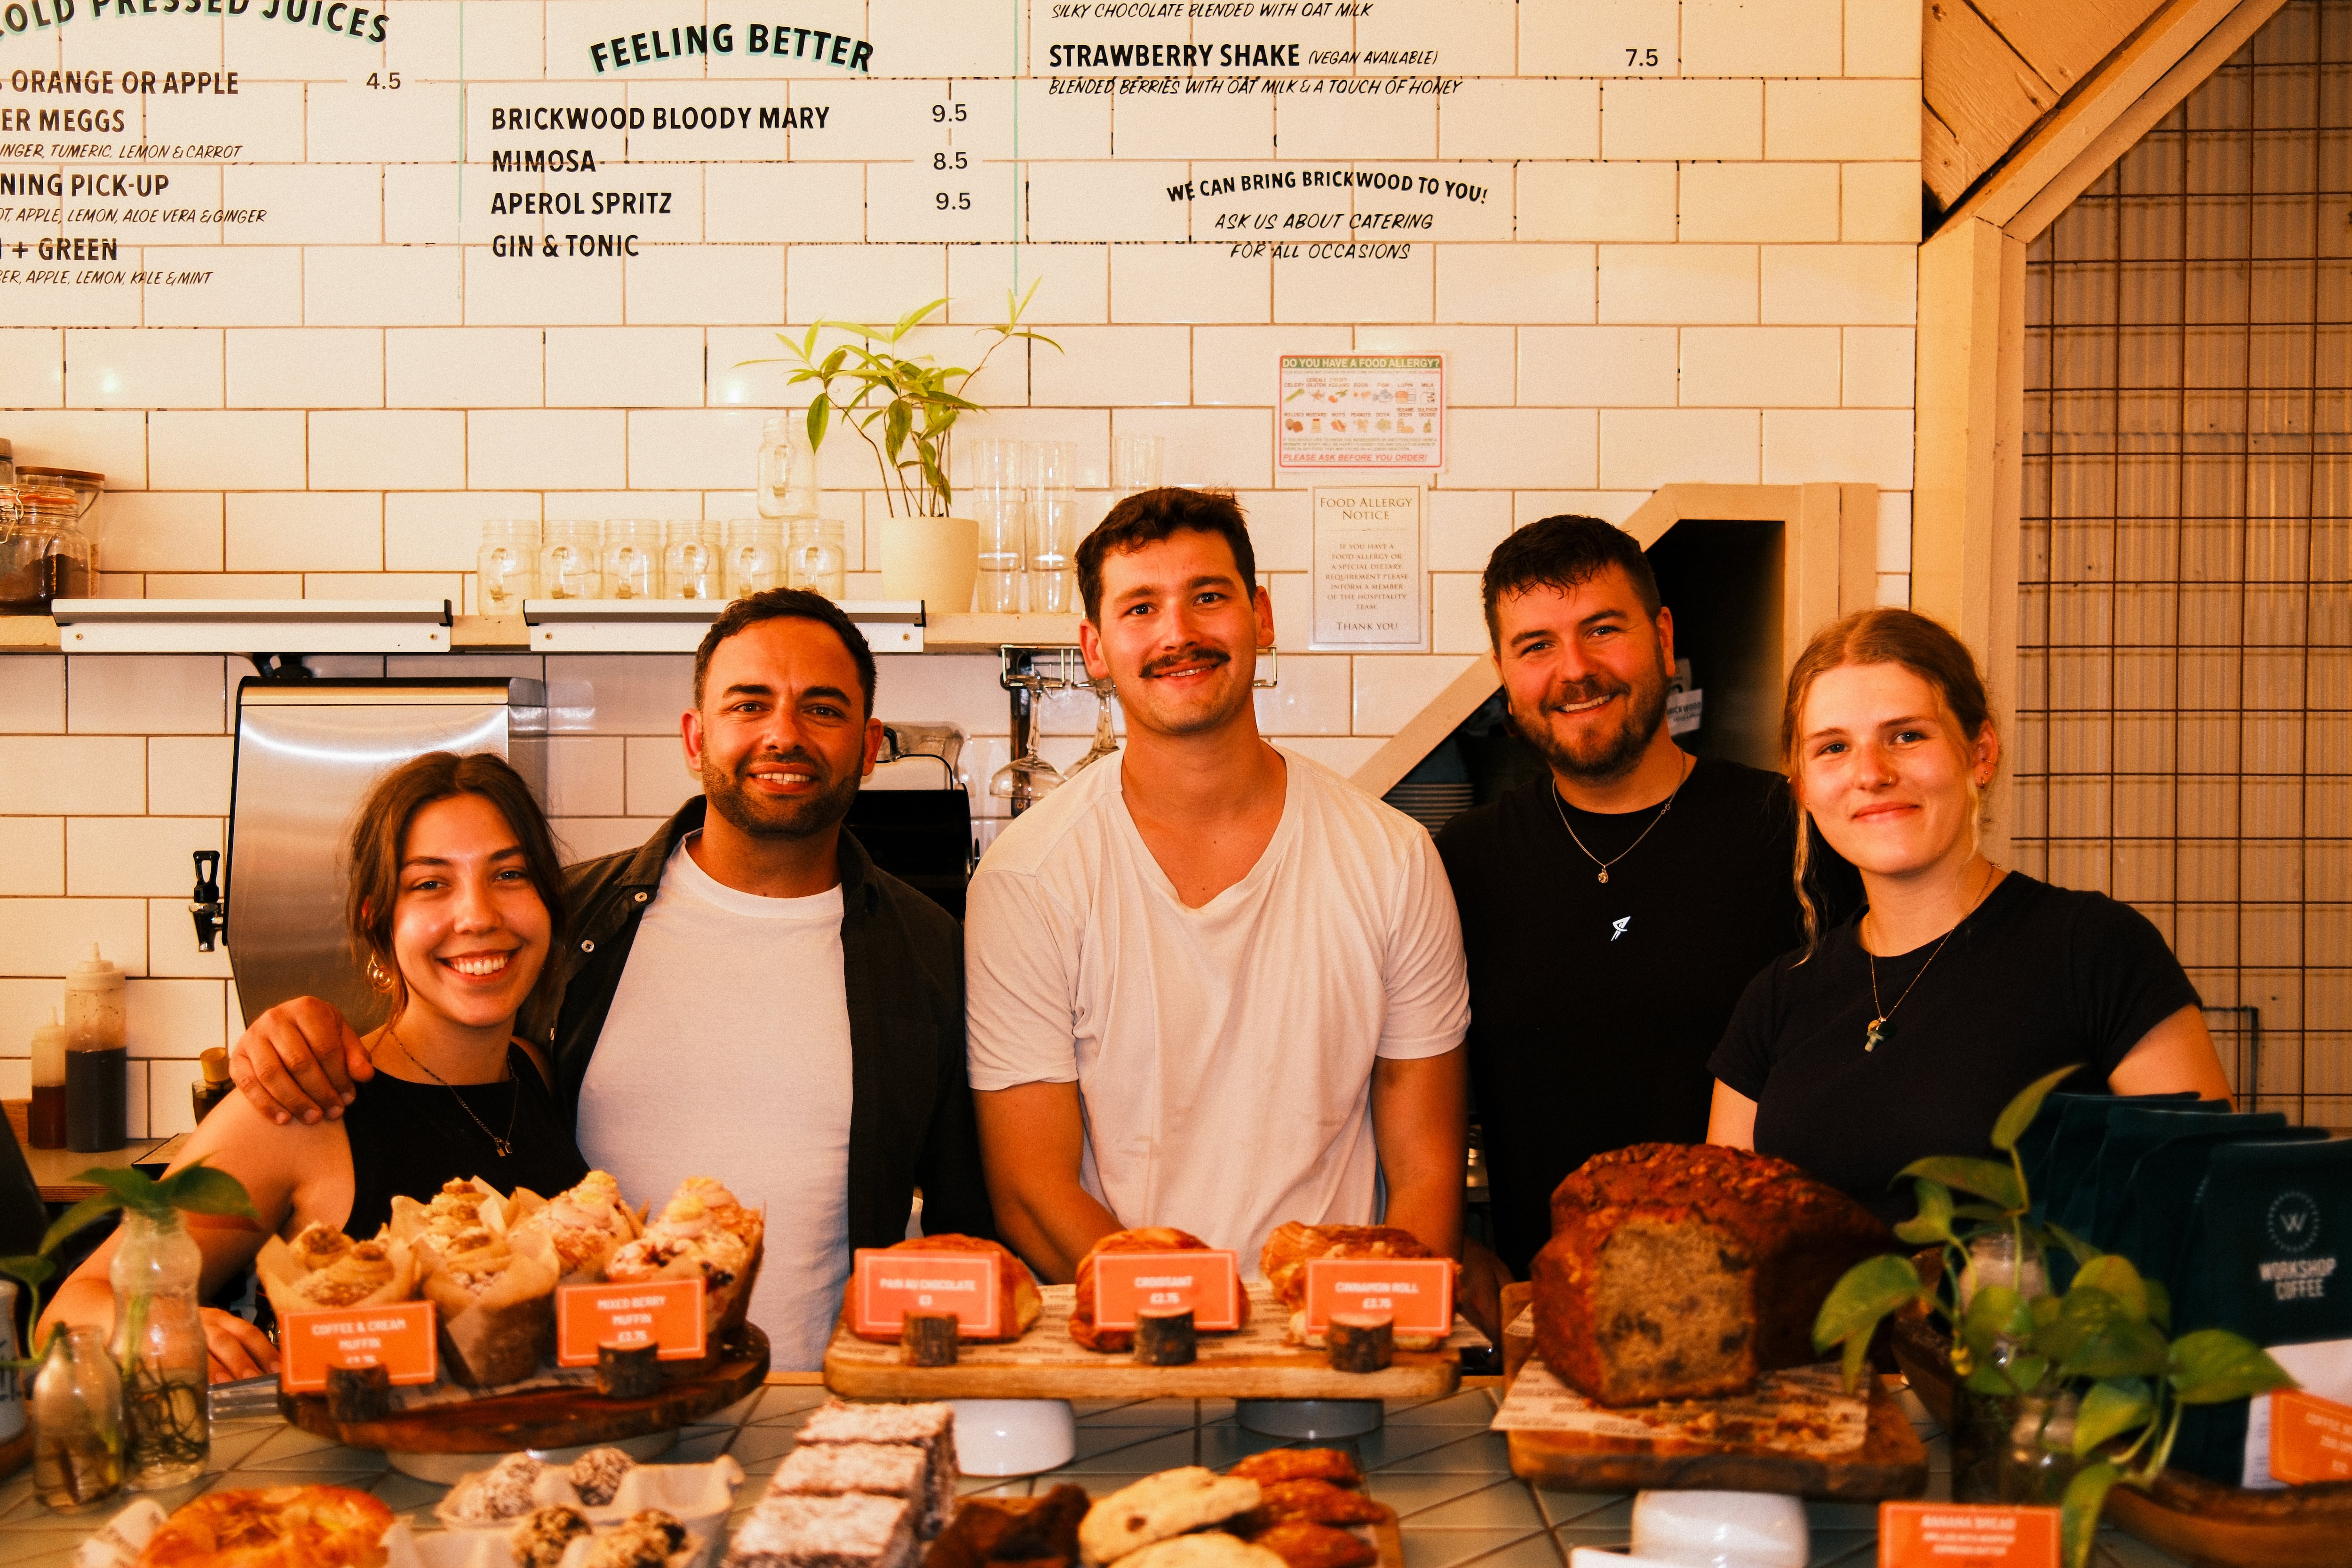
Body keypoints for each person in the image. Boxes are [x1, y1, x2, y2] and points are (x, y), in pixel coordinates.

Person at [224, 589, 993, 1368]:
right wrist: (305, 1026)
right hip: (592, 1412)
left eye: (821, 709)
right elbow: (439, 1030)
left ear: (869, 747)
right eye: (749, 704)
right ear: (696, 738)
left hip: (820, 1407)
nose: (782, 735)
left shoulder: (929, 948)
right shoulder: (574, 919)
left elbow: (969, 1222)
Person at [965, 488, 1478, 1318]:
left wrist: (1369, 1330)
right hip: (1122, 1366)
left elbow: (1425, 1170)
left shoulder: (1392, 859)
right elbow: (1033, 1189)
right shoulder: (1028, 879)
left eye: (1209, 596)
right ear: (1095, 648)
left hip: (1335, 1355)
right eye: (1141, 607)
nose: (1179, 634)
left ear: (1260, 617)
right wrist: (1192, 1318)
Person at [45, 750, 588, 1380]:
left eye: (511, 874)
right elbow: (73, 1306)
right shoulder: (302, 1107)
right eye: (430, 883)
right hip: (363, 1475)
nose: (479, 916)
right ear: (377, 920)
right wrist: (166, 1332)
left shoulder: (531, 1072)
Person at [1706, 606, 2233, 1222]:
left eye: (1906, 734)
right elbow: (1728, 1238)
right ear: (1802, 787)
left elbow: (2206, 1207)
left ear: (1980, 752)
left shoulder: (2096, 952)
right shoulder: (1777, 999)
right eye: (1833, 747)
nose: (1871, 773)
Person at [1435, 516, 1850, 1282]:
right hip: (1559, 1314)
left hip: (1765, 1306)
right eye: (1536, 646)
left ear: (1663, 636)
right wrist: (1462, 1255)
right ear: (1502, 669)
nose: (1576, 670)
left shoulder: (1800, 837)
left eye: (1602, 629)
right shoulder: (1460, 863)